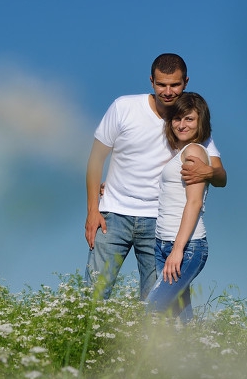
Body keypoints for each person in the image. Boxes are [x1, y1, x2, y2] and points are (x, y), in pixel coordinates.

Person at [85, 53, 226, 301]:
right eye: (162, 84)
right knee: (94, 293)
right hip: (114, 215)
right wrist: (93, 211)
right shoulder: (124, 107)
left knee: (156, 301)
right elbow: (96, 159)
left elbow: (220, 174)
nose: (168, 91)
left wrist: (209, 171)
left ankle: (157, 341)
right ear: (151, 81)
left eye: (175, 84)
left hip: (159, 225)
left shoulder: (188, 122)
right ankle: (83, 340)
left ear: (186, 82)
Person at [145, 92, 211, 321]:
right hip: (164, 243)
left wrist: (178, 250)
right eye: (177, 119)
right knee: (182, 318)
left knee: (152, 311)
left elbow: (194, 202)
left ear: (200, 121)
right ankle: (193, 355)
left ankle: (139, 356)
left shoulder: (193, 152)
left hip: (186, 246)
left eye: (189, 119)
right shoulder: (180, 153)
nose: (181, 125)